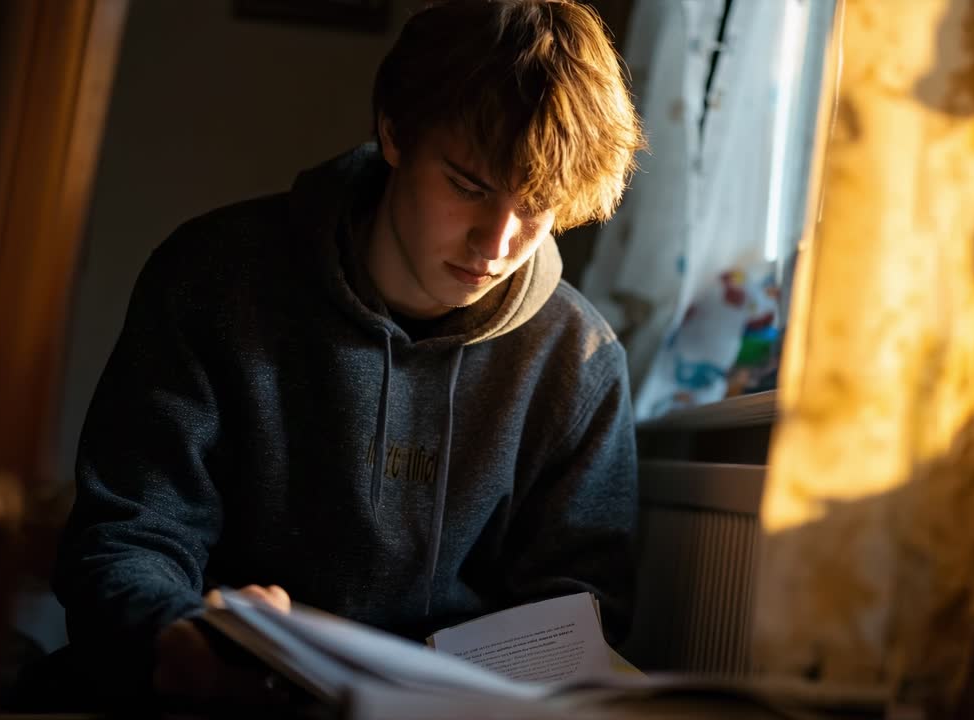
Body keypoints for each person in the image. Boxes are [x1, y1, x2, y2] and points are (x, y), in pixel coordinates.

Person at [51, 0, 645, 706]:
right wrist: (177, 634)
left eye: (537, 204)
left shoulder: (580, 361)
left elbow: (580, 612)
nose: (495, 244)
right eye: (467, 186)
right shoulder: (210, 279)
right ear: (395, 132)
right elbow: (128, 535)